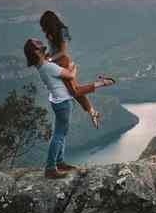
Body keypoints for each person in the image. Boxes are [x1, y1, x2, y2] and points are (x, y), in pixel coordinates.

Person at [23, 38, 114, 179]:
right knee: (59, 135)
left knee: (61, 133)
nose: (43, 47)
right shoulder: (49, 67)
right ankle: (51, 168)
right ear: (36, 52)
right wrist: (73, 66)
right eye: (40, 47)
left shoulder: (42, 66)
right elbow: (70, 75)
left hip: (57, 101)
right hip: (63, 103)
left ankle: (59, 162)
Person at [39, 10, 115, 128]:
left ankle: (101, 83)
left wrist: (49, 60)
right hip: (55, 64)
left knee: (74, 91)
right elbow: (53, 50)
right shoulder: (51, 33)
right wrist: (47, 56)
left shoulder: (62, 31)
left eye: (43, 25)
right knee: (75, 91)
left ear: (49, 23)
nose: (42, 28)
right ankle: (92, 112)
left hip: (63, 63)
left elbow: (63, 51)